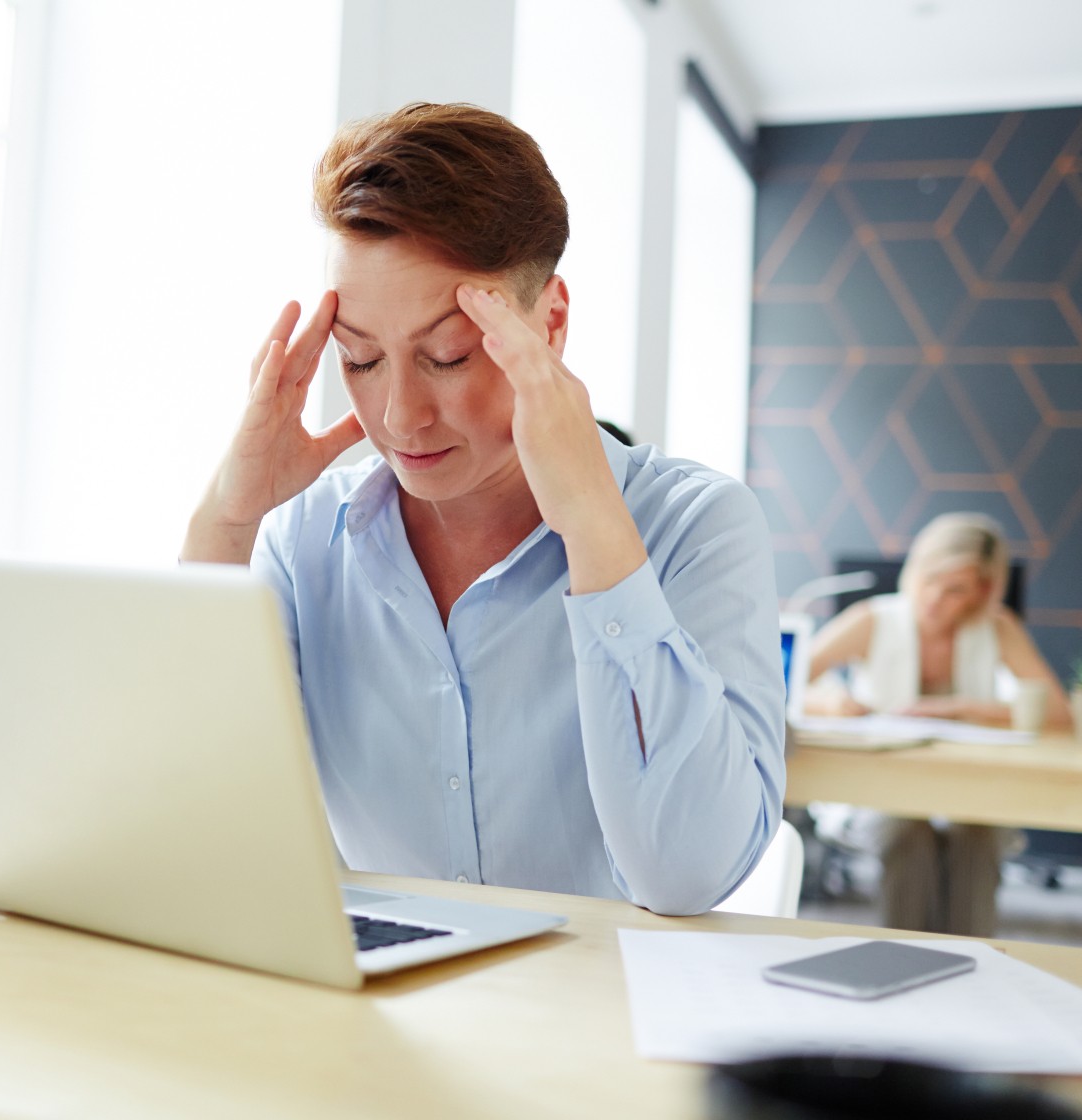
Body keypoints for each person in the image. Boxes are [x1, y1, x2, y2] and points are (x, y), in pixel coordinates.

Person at [180, 103, 785, 916]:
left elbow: (685, 875)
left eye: (447, 356)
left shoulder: (697, 528)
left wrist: (595, 530)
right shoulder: (303, 539)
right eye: (359, 358)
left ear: (552, 323)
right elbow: (204, 808)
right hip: (376, 1023)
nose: (398, 416)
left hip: (605, 1024)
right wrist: (228, 519)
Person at [805, 512, 1072, 936]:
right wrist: (830, 700)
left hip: (967, 787)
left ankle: (971, 961)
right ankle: (899, 957)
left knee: (978, 836)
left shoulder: (997, 628)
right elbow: (784, 682)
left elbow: (1057, 713)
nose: (935, 598)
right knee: (906, 832)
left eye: (955, 590)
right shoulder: (872, 619)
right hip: (881, 788)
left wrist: (956, 708)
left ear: (982, 591)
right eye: (930, 580)